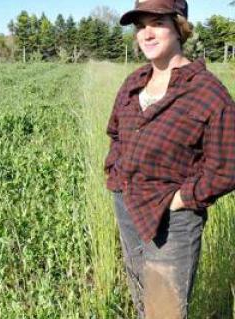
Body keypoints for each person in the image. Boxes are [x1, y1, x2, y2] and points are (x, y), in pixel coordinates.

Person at [103, 0, 235, 318]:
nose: (146, 34)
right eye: (140, 26)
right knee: (141, 300)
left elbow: (227, 168)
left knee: (164, 311)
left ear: (179, 27)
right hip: (128, 207)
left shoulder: (207, 93)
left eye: (157, 23)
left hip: (170, 221)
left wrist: (180, 199)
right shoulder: (134, 83)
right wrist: (115, 173)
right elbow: (116, 133)